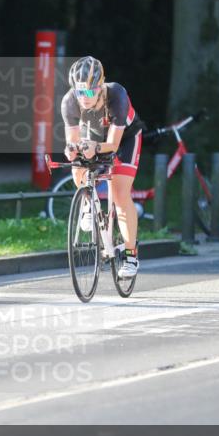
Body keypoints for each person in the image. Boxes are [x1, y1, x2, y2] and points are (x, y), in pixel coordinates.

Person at [61, 56, 145, 278]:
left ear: (100, 86)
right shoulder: (69, 102)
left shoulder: (117, 95)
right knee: (77, 164)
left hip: (125, 139)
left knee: (119, 194)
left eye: (89, 92)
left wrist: (95, 147)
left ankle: (131, 256)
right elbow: (73, 140)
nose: (84, 98)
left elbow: (113, 144)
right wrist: (72, 150)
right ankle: (87, 203)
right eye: (80, 92)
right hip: (96, 136)